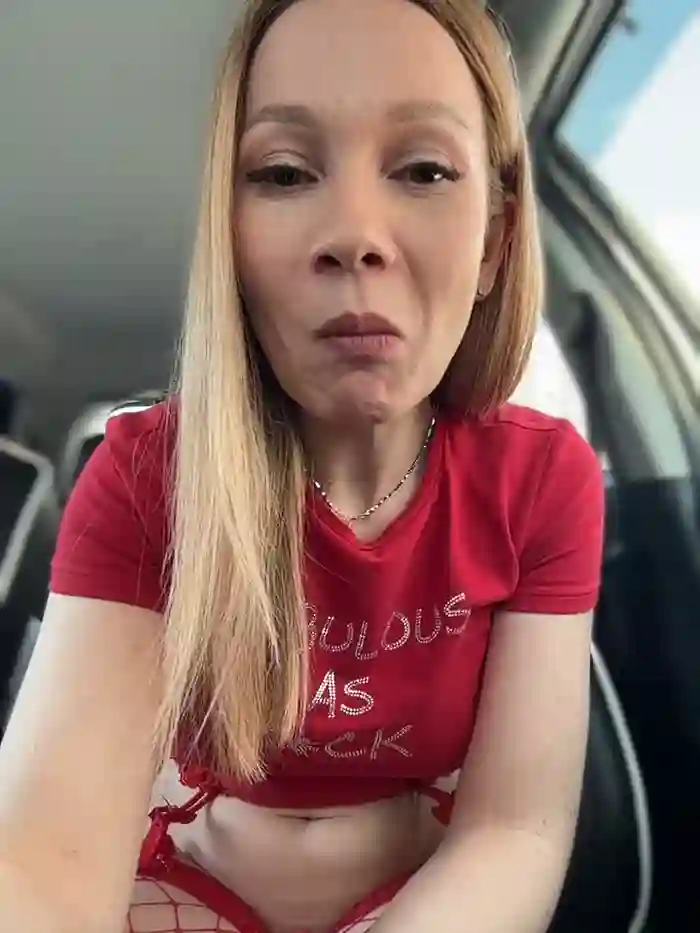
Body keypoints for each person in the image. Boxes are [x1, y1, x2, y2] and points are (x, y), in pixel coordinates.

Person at [0, 0, 605, 931]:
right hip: (188, 885)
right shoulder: (145, 477)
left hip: (422, 898)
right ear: (231, 240)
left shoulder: (542, 480)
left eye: (425, 169)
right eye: (284, 173)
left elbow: (515, 828)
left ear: (494, 241)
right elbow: (44, 857)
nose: (354, 234)